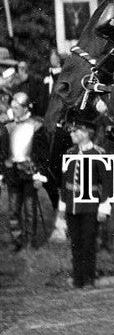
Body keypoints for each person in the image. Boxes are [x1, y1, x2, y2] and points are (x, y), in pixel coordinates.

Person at [60, 118, 114, 288]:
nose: (71, 134)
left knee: (88, 243)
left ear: (85, 133)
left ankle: (89, 280)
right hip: (72, 205)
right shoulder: (70, 153)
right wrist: (63, 205)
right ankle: (78, 280)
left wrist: (104, 206)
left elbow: (108, 183)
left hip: (91, 206)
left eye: (74, 131)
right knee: (75, 243)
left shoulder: (99, 154)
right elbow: (64, 182)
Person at [4, 91, 42, 251]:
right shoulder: (8, 126)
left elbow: (41, 153)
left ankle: (30, 240)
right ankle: (16, 239)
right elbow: (3, 151)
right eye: (12, 108)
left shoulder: (36, 126)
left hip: (29, 171)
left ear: (26, 108)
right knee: (13, 208)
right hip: (12, 173)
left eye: (17, 108)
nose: (14, 111)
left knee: (29, 207)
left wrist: (39, 173)